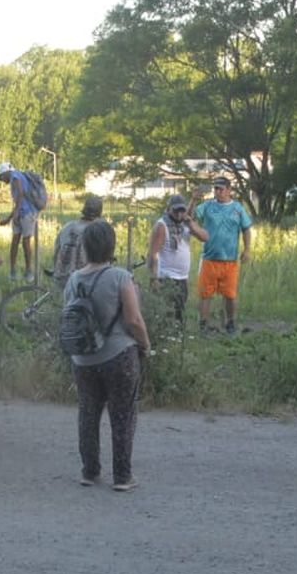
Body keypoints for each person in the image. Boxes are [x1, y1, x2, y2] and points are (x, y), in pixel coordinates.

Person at [68, 219, 151, 491]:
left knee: (88, 413)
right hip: (118, 356)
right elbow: (134, 320)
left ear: (86, 248)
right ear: (111, 246)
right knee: (123, 414)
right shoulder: (119, 277)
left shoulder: (74, 279)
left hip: (83, 358)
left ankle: (90, 472)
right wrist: (146, 345)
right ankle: (122, 476)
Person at [192, 177, 254, 335]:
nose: (217, 192)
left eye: (220, 188)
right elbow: (190, 217)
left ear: (229, 190)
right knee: (205, 294)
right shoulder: (207, 206)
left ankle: (230, 322)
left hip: (230, 260)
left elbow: (246, 229)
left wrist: (247, 249)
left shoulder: (238, 208)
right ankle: (203, 324)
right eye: (215, 189)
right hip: (209, 258)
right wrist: (193, 200)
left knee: (230, 295)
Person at [147, 193, 206, 324]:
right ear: (169, 209)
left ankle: (177, 338)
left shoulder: (185, 224)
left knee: (179, 313)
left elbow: (204, 237)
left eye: (181, 211)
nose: (179, 214)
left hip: (182, 278)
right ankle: (167, 338)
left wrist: (190, 222)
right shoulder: (162, 226)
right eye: (176, 211)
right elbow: (153, 254)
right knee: (166, 314)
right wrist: (154, 278)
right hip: (167, 277)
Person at [0, 161, 39, 280]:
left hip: (28, 213)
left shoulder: (15, 176)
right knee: (15, 241)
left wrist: (15, 214)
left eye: (1, 177)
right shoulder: (15, 177)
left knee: (25, 242)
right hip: (20, 213)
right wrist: (9, 218)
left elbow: (20, 194)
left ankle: (28, 271)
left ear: (5, 173)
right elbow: (17, 202)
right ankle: (13, 270)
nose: (2, 180)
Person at [52, 195, 103, 291]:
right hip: (82, 280)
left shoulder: (67, 227)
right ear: (99, 213)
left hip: (61, 276)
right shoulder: (95, 231)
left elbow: (56, 251)